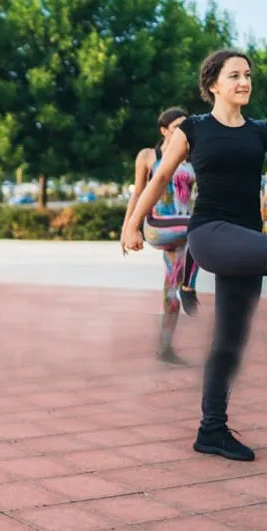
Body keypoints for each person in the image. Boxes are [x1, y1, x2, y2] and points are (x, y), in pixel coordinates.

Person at [122, 49, 267, 462]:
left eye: (249, 75)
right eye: (235, 75)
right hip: (211, 233)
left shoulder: (260, 131)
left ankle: (212, 430)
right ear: (213, 84)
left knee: (230, 341)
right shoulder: (194, 129)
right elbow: (162, 175)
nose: (244, 82)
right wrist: (133, 223)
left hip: (249, 241)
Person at [120, 107, 200, 365]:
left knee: (170, 294)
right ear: (164, 130)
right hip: (157, 225)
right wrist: (127, 228)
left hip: (182, 230)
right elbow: (138, 192)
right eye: (177, 126)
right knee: (204, 226)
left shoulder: (192, 159)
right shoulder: (148, 156)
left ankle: (165, 349)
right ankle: (190, 287)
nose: (183, 132)